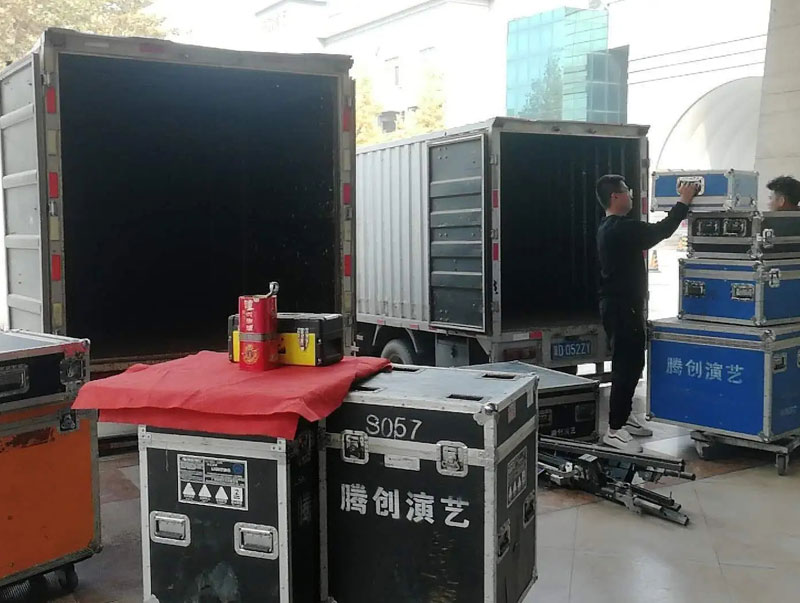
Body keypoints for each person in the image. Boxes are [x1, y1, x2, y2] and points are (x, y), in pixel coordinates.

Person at [595, 175, 698, 451]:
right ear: (615, 196)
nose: (631, 195)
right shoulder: (620, 228)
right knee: (625, 366)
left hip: (623, 306)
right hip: (621, 307)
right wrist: (684, 201)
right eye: (627, 191)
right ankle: (615, 430)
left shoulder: (612, 227)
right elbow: (662, 230)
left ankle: (625, 416)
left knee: (633, 363)